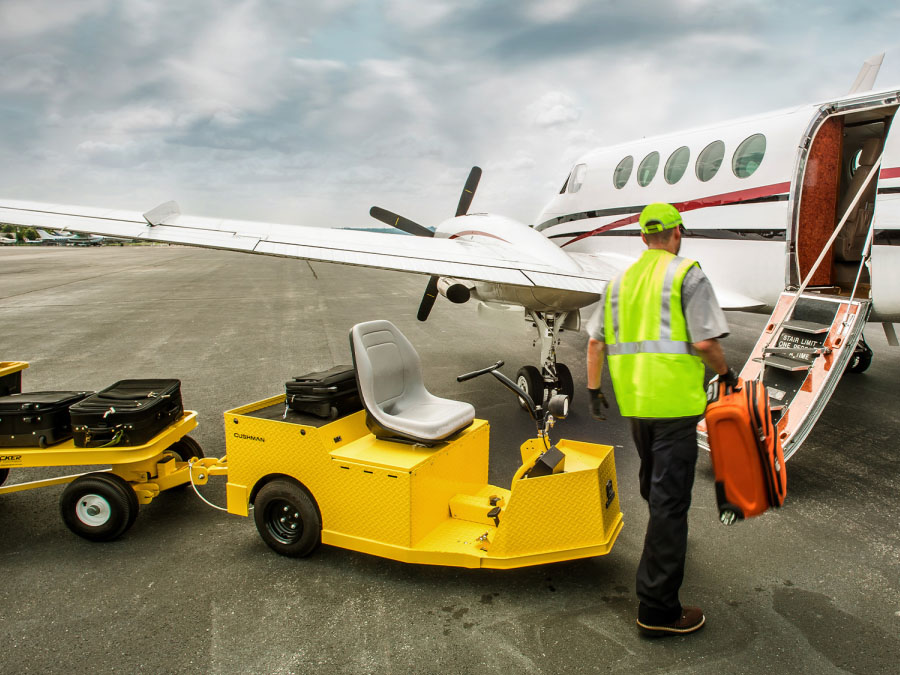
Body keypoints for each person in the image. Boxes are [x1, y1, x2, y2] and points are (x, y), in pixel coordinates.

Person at [585, 202, 735, 637]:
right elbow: (705, 343)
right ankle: (658, 610)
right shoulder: (688, 274)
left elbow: (595, 345)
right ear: (677, 233)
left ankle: (660, 550)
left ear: (642, 238)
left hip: (637, 406)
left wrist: (594, 391)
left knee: (656, 490)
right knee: (671, 504)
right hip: (674, 407)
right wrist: (727, 374)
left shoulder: (618, 282)